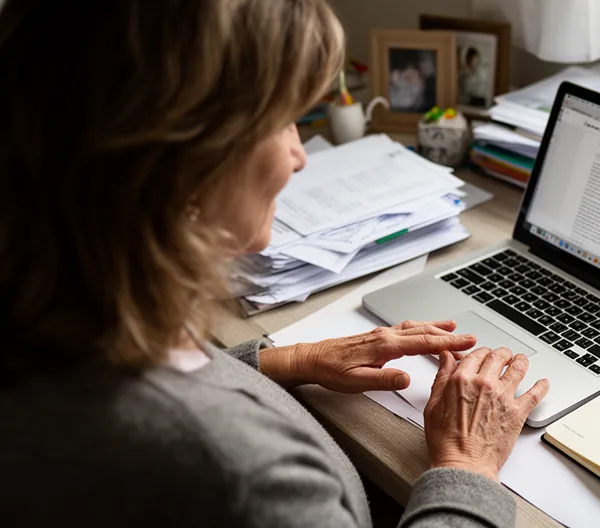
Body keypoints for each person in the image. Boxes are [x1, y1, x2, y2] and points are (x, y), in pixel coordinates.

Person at [0, 0, 548, 526]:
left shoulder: (48, 303)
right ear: (190, 156)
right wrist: (466, 466)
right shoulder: (248, 478)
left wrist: (283, 361)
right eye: (285, 121)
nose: (300, 155)